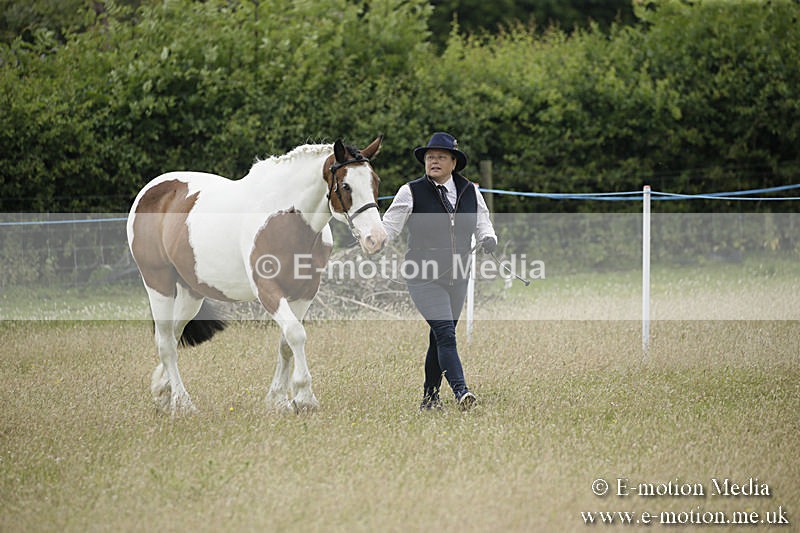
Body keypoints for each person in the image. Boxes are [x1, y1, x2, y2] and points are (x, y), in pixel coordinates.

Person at [382, 132, 497, 411]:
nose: (433, 161)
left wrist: (489, 239)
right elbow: (388, 228)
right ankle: (462, 393)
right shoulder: (410, 191)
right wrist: (373, 237)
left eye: (440, 157)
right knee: (446, 333)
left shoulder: (471, 191)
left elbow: (484, 223)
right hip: (423, 275)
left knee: (439, 337)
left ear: (453, 162)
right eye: (429, 157)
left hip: (458, 274)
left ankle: (430, 399)